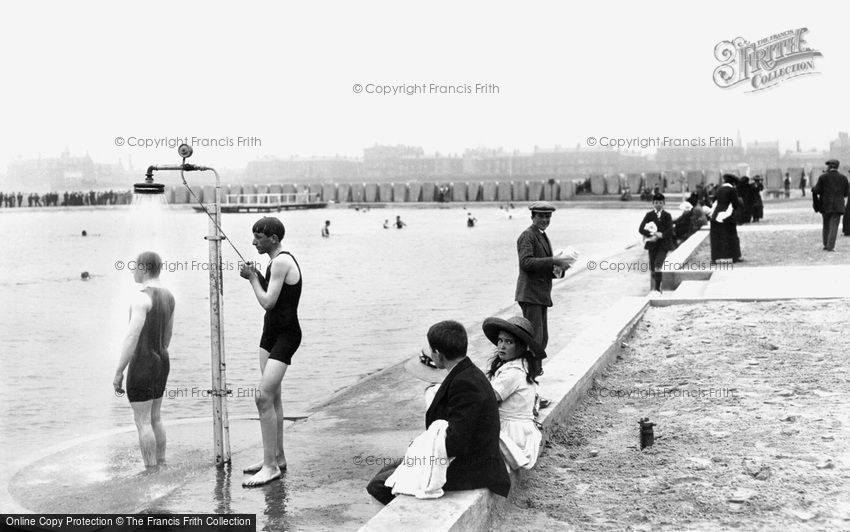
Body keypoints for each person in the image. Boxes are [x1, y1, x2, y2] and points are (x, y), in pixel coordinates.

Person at [366, 320, 510, 504]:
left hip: (473, 467)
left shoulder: (465, 383)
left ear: (438, 354)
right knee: (389, 469)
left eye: (432, 350)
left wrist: (423, 447)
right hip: (472, 458)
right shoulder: (466, 373)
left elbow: (456, 442)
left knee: (378, 485)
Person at [239, 217, 302, 487]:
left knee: (262, 397)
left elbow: (268, 302)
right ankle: (277, 457)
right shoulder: (273, 262)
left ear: (273, 238)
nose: (253, 242)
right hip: (269, 335)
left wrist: (252, 278)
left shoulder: (282, 261)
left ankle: (270, 467)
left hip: (287, 336)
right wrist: (258, 274)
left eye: (259, 237)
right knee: (272, 396)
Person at [113, 251, 175, 469]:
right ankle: (161, 463)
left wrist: (119, 370)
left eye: (134, 266)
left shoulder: (141, 297)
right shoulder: (169, 296)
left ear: (144, 268)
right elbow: (167, 336)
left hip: (142, 362)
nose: (132, 270)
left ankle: (150, 470)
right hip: (162, 360)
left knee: (142, 421)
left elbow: (132, 337)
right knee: (156, 417)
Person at [483, 316, 545, 471]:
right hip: (519, 430)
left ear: (522, 347)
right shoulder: (520, 365)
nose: (502, 346)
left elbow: (486, 399)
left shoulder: (513, 372)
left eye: (509, 342)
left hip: (513, 436)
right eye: (500, 340)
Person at [515, 201, 576, 350]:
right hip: (531, 295)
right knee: (535, 339)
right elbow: (526, 263)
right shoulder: (527, 236)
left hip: (539, 295)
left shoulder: (542, 236)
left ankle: (535, 370)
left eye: (548, 217)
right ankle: (531, 371)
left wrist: (561, 269)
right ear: (532, 216)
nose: (545, 220)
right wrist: (554, 260)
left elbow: (542, 266)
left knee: (542, 339)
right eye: (541, 216)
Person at [638, 193, 675, 294]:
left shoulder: (667, 215)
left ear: (664, 203)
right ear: (653, 203)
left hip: (663, 245)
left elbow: (670, 230)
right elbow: (641, 229)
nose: (658, 204)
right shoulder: (649, 215)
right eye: (656, 202)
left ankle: (658, 288)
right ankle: (654, 286)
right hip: (652, 245)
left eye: (660, 202)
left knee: (658, 263)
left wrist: (661, 235)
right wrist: (651, 235)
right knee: (652, 266)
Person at [812, 159, 849, 252]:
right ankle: (830, 246)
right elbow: (846, 193)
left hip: (825, 205)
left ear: (829, 167)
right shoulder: (843, 178)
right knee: (834, 226)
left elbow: (816, 190)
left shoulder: (823, 177)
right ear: (837, 167)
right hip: (838, 206)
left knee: (826, 225)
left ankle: (825, 244)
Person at [709, 174, 743, 263]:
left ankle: (714, 258)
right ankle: (735, 257)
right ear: (733, 183)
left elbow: (714, 201)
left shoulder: (719, 189)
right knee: (731, 236)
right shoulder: (732, 190)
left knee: (716, 237)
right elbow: (735, 204)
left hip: (716, 216)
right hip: (727, 215)